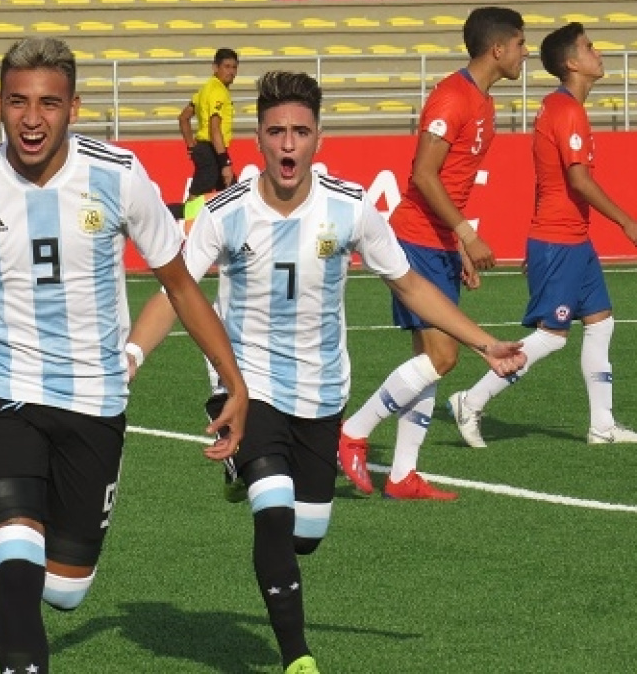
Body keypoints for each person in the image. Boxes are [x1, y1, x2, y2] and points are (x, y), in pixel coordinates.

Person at [126, 71, 526, 674]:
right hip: (247, 386)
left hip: (320, 390)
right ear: (258, 137)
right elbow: (174, 291)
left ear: (318, 137)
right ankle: (298, 658)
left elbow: (410, 284)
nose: (288, 144)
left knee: (306, 534)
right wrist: (130, 358)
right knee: (273, 507)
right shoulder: (224, 213)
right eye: (276, 132)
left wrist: (483, 343)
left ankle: (244, 475)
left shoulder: (350, 207)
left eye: (300, 131)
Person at [0, 36, 248, 674]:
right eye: (17, 101)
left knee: (66, 589)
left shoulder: (118, 176)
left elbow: (181, 285)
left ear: (73, 108)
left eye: (48, 103)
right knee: (14, 565)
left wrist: (234, 384)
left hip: (93, 404)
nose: (31, 118)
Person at [338, 6, 528, 500]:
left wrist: (456, 244)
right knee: (444, 356)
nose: (525, 54)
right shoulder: (452, 97)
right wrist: (466, 233)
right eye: (521, 44)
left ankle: (403, 474)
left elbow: (451, 182)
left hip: (438, 241)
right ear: (498, 48)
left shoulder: (483, 103)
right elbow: (423, 174)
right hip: (416, 239)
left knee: (428, 359)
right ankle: (353, 432)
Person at [449, 23, 637, 447]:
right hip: (560, 241)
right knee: (551, 337)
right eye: (589, 47)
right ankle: (471, 400)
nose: (598, 53)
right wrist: (626, 222)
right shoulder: (567, 110)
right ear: (572, 63)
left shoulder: (559, 107)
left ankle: (602, 425)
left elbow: (549, 179)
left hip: (571, 240)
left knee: (601, 323)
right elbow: (578, 180)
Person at [170, 47, 239, 220]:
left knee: (230, 197)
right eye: (227, 67)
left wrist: (190, 145)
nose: (231, 72)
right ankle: (164, 215)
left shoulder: (205, 89)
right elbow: (215, 128)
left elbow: (184, 117)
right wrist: (225, 162)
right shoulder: (218, 91)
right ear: (215, 67)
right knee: (195, 205)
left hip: (206, 149)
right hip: (212, 152)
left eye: (234, 67)